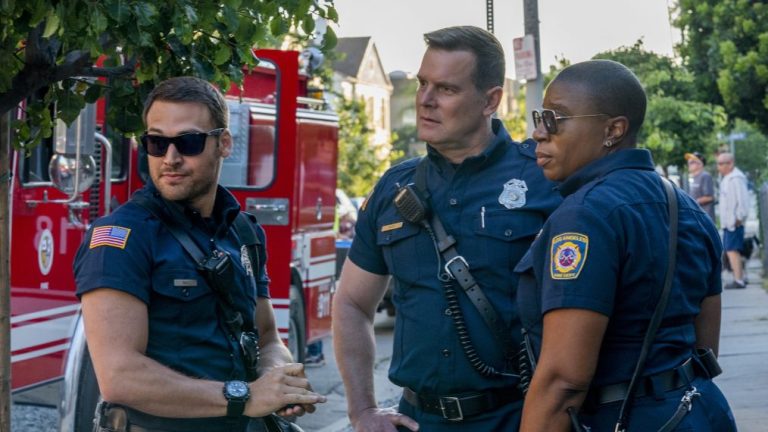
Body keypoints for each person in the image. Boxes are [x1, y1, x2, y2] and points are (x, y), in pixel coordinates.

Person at [332, 26, 561, 431]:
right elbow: (351, 302)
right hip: (416, 420)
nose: (425, 99)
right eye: (423, 83)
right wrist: (362, 409)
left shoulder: (544, 182)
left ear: (491, 100)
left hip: (516, 419)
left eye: (447, 89)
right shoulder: (393, 188)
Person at [74, 76, 325, 431]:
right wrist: (245, 397)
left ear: (224, 144)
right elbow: (120, 376)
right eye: (157, 142)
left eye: (188, 142)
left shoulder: (243, 231)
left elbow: (268, 337)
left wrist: (278, 382)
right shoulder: (121, 238)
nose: (170, 158)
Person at [514, 60, 736, 431]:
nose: (538, 133)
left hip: (624, 418)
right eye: (540, 118)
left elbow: (563, 381)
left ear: (613, 130)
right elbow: (705, 348)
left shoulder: (584, 215)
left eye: (555, 119)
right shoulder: (685, 206)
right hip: (699, 411)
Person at [717, 152, 750, 289]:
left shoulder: (736, 179)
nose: (718, 167)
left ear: (730, 163)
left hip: (734, 223)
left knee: (732, 250)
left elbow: (743, 200)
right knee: (732, 250)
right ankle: (741, 277)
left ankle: (738, 280)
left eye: (721, 163)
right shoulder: (727, 178)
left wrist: (739, 218)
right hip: (728, 222)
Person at [684, 151, 715, 221]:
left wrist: (691, 202)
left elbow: (710, 197)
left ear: (700, 164)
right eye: (688, 162)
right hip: (697, 218)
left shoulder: (705, 176)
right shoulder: (694, 178)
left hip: (705, 219)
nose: (689, 164)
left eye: (692, 162)